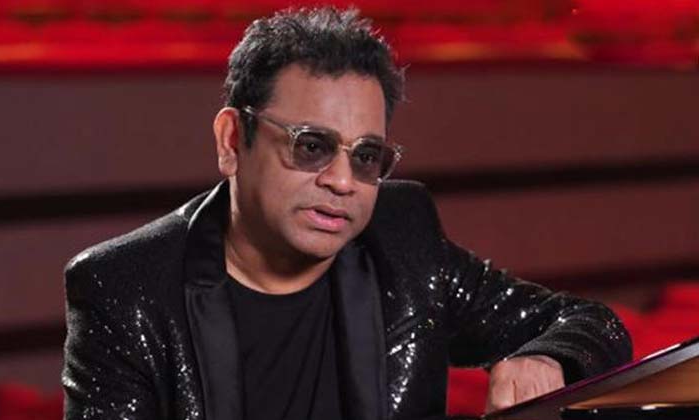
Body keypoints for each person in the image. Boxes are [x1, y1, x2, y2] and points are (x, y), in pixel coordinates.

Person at [61, 6, 631, 420]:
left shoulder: (401, 239)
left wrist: (547, 358)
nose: (342, 181)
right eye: (311, 145)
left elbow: (591, 324)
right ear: (233, 140)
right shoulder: (126, 287)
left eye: (366, 156)